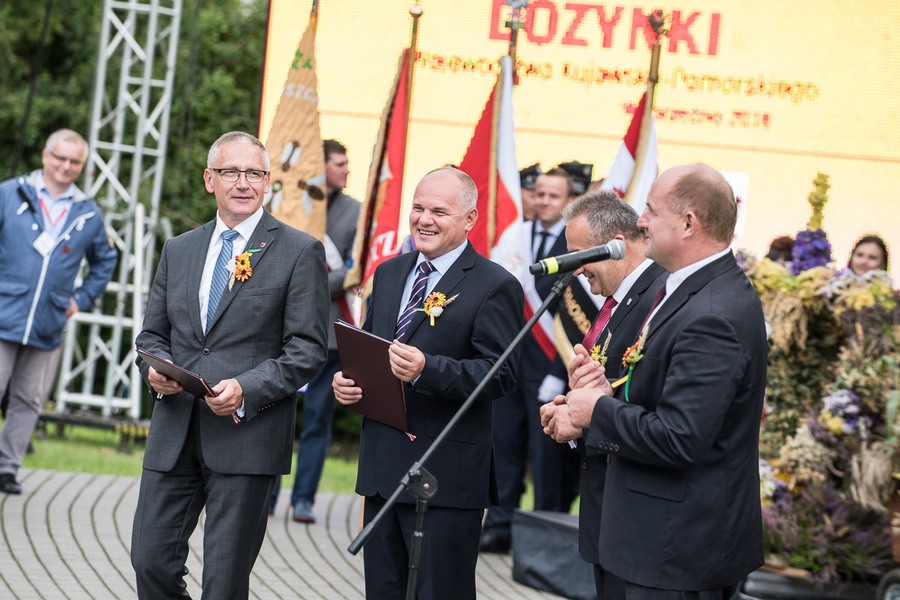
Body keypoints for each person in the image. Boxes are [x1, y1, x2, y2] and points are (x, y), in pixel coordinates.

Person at [130, 131, 329, 599]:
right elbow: (152, 335)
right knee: (150, 561)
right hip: (174, 433)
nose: (243, 183)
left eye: (254, 173)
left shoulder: (299, 251)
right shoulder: (178, 250)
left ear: (267, 183)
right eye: (231, 172)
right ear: (209, 180)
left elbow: (307, 348)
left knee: (222, 583)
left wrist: (247, 388)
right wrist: (155, 371)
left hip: (247, 436)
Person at [563, 164, 767, 598]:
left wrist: (595, 410)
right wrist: (602, 391)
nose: (640, 221)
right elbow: (654, 394)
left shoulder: (713, 311)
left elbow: (681, 437)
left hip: (674, 550)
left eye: (651, 212)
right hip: (646, 540)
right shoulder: (687, 288)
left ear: (689, 223)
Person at [333, 167, 524, 600]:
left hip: (445, 477)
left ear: (470, 219)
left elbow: (503, 374)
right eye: (418, 208)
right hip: (383, 472)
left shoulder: (495, 285)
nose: (424, 219)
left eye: (439, 211)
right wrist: (349, 384)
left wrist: (427, 369)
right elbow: (373, 350)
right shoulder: (389, 273)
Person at [539, 190, 666, 595]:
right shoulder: (619, 301)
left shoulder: (657, 299)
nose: (576, 270)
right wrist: (574, 413)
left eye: (579, 255)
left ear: (617, 245)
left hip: (639, 521)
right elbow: (603, 394)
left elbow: (647, 402)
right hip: (607, 513)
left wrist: (586, 414)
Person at [0, 128, 117, 495]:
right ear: (45, 157)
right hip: (3, 312)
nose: (66, 166)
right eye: (60, 158)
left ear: (81, 167)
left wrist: (80, 300)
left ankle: (6, 468)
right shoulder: (10, 194)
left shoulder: (87, 213)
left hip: (49, 322)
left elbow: (105, 262)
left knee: (29, 399)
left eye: (74, 162)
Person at [481, 166, 579, 554]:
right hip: (512, 356)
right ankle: (501, 525)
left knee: (546, 454)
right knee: (503, 444)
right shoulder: (515, 236)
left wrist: (559, 372)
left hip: (551, 360)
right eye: (539, 193)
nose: (543, 201)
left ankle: (543, 534)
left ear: (569, 202)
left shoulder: (575, 244)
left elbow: (576, 318)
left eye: (553, 196)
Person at [269, 139, 360, 522]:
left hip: (332, 330)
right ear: (321, 166)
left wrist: (311, 281)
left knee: (319, 418)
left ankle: (303, 499)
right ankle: (267, 496)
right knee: (276, 415)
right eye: (340, 163)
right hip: (285, 328)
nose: (346, 170)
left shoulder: (357, 212)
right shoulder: (292, 202)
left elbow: (356, 267)